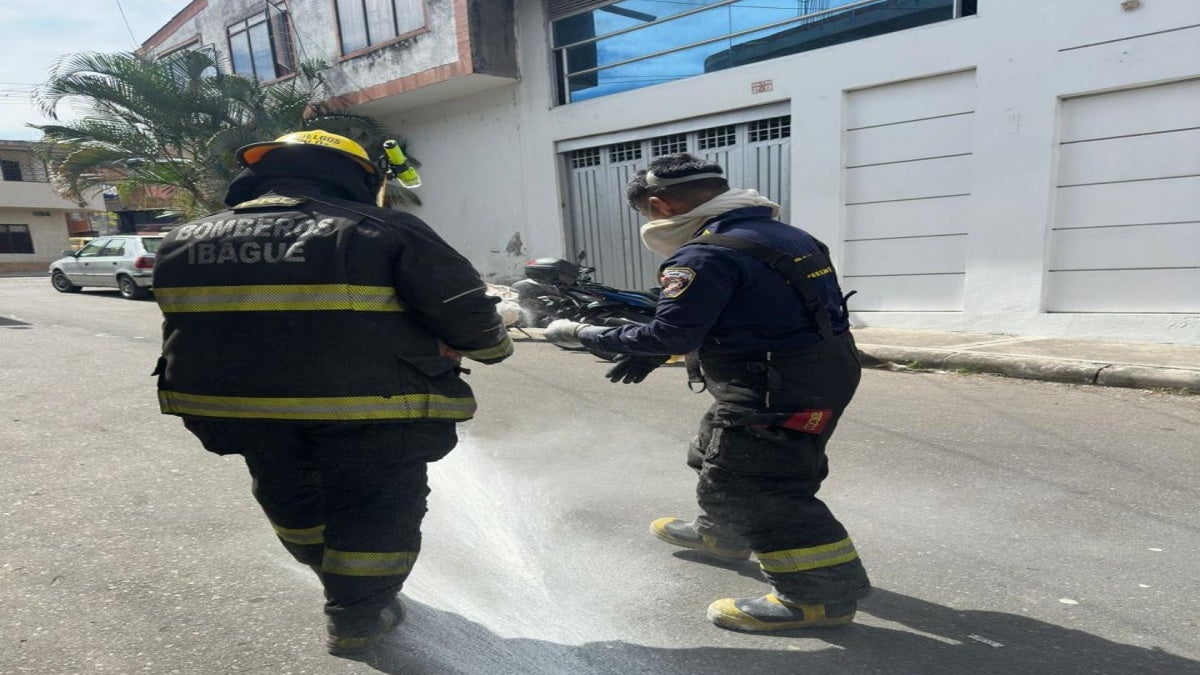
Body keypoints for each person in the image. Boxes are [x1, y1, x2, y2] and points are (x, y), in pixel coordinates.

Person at [151, 130, 513, 656]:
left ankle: (331, 573)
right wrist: (494, 347)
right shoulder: (383, 228)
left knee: (289, 492)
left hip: (236, 410)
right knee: (377, 507)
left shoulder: (183, 238)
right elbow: (465, 311)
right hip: (370, 408)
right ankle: (357, 615)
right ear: (355, 176)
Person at [546, 153, 870, 632]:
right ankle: (723, 535)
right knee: (715, 450)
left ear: (658, 206)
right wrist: (660, 344)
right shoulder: (787, 235)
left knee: (759, 488)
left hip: (773, 385)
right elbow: (756, 307)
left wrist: (585, 335)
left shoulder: (705, 254)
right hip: (815, 370)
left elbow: (673, 332)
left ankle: (819, 598)